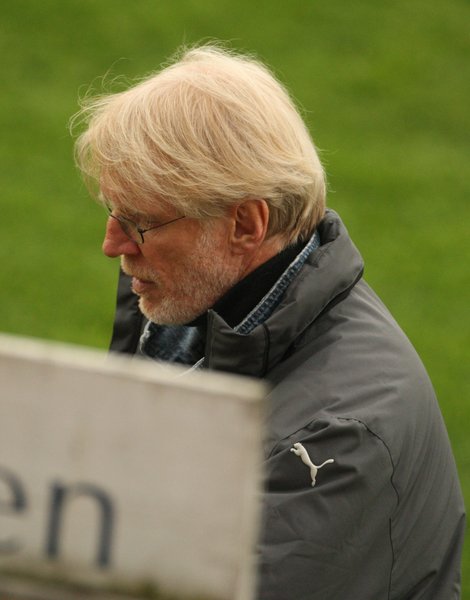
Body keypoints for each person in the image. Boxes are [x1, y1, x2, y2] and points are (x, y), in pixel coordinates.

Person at [73, 44, 465, 599]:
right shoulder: (190, 303)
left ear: (245, 225)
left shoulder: (336, 444)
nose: (112, 244)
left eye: (138, 222)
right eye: (112, 212)